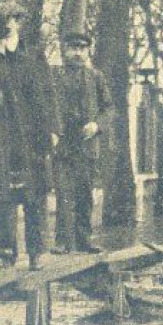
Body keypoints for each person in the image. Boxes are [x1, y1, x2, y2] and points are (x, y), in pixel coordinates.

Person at [0, 6, 59, 270]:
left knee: (34, 193)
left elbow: (43, 97)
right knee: (4, 193)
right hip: (0, 133)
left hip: (28, 135)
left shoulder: (28, 57)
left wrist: (50, 130)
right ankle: (6, 253)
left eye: (13, 23)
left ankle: (37, 251)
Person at [51, 31, 114, 253]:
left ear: (88, 51)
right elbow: (46, 106)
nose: (77, 53)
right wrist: (52, 130)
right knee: (63, 192)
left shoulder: (96, 77)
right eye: (72, 48)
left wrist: (97, 125)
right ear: (64, 50)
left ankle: (84, 239)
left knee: (85, 192)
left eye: (82, 48)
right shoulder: (54, 75)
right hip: (62, 142)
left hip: (86, 143)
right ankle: (62, 241)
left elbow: (109, 108)